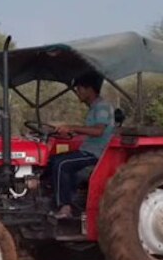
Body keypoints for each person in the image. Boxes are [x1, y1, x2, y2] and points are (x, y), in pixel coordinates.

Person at [48, 71, 116, 219]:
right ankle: (58, 199)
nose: (77, 92)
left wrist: (72, 127)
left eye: (79, 89)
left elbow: (98, 131)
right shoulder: (94, 107)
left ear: (89, 89)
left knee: (62, 164)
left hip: (97, 153)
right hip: (88, 149)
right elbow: (90, 131)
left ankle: (65, 207)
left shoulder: (102, 107)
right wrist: (69, 133)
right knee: (52, 159)